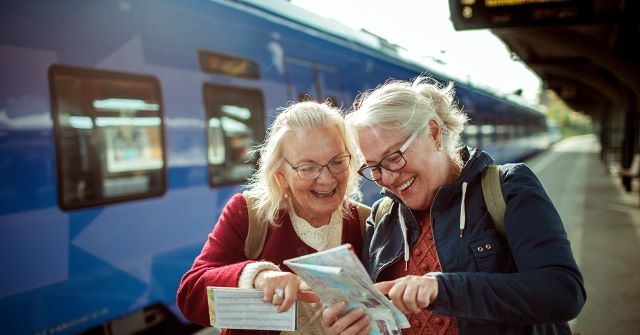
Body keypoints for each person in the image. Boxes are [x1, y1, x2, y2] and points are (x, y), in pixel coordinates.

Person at [322, 76, 586, 335]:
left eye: (394, 157)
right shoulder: (381, 217)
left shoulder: (506, 188)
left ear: (434, 133)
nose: (387, 178)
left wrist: (444, 289)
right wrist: (354, 324)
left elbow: (564, 292)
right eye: (375, 167)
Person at [176, 100, 369, 335]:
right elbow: (190, 294)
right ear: (280, 175)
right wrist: (257, 276)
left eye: (337, 162)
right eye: (307, 168)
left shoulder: (365, 222)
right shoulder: (247, 214)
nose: (327, 179)